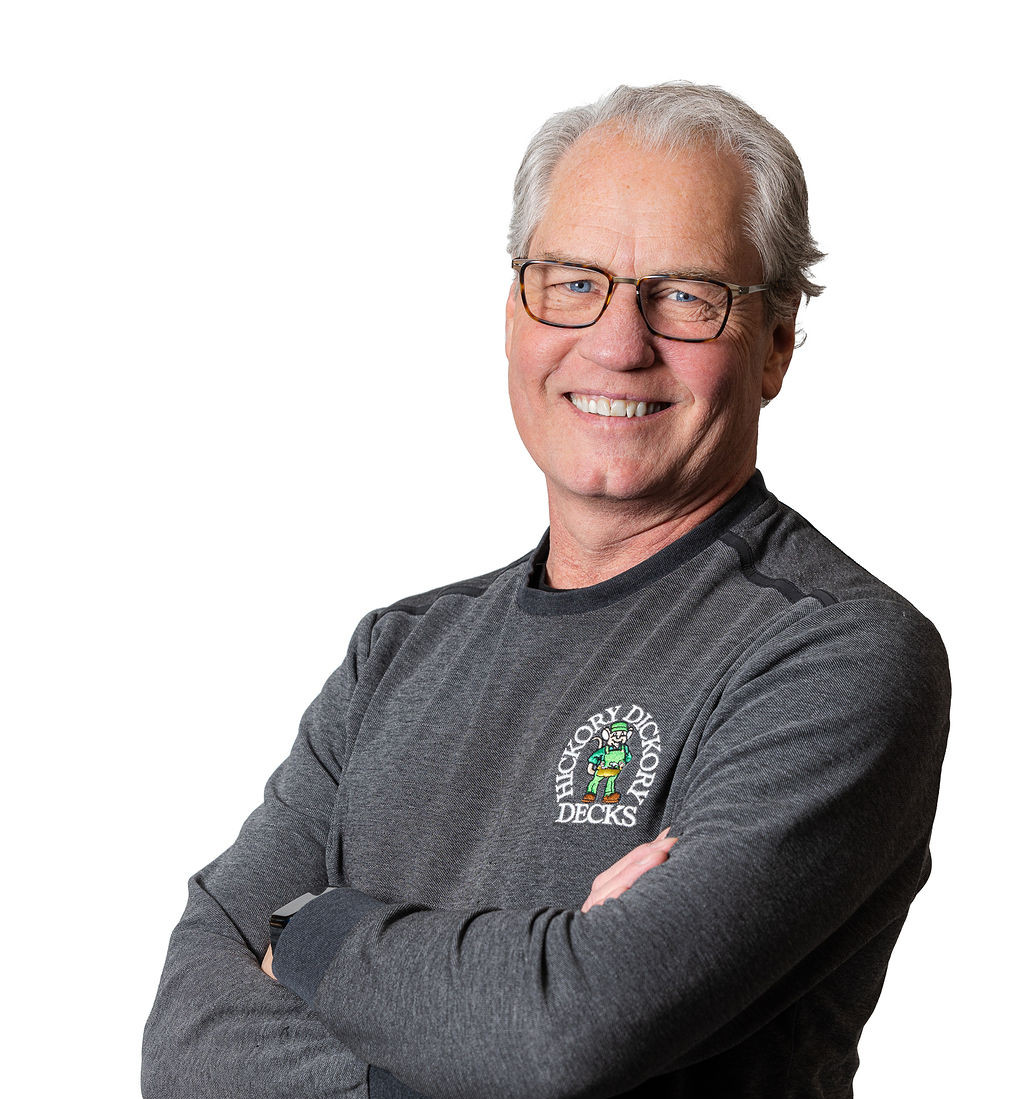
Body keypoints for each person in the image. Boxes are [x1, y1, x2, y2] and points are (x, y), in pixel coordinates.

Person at [142, 81, 950, 1098]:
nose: (617, 343)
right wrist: (517, 998)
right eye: (572, 282)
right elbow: (186, 1047)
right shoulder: (394, 654)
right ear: (515, 311)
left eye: (685, 294)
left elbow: (567, 1029)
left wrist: (307, 930)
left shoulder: (835, 656)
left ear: (777, 340)